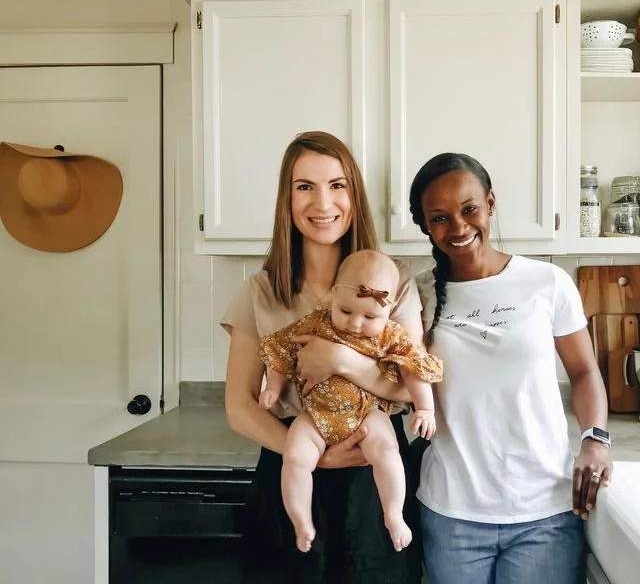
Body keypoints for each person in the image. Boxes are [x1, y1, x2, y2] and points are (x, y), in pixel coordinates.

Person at [221, 131, 426, 584]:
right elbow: (238, 407)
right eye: (304, 187)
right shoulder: (262, 291)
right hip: (290, 471)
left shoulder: (395, 284)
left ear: (354, 194)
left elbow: (408, 387)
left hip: (375, 476)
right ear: (287, 199)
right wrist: (313, 457)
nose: (322, 202)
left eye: (337, 185)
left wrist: (340, 360)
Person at [407, 152, 613, 584]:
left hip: (546, 512)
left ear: (491, 204)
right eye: (440, 218)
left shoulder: (548, 282)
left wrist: (595, 440)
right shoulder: (416, 294)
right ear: (425, 225)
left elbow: (584, 372)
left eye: (469, 210)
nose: (459, 228)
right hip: (451, 512)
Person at [258, 249, 443, 553]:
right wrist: (273, 388)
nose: (356, 323)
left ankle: (393, 514)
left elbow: (414, 367)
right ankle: (301, 522)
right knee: (294, 456)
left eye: (370, 316)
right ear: (332, 297)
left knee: (386, 450)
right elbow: (280, 350)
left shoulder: (390, 335)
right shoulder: (317, 322)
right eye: (346, 311)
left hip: (367, 413)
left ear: (389, 310)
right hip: (316, 414)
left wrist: (425, 407)